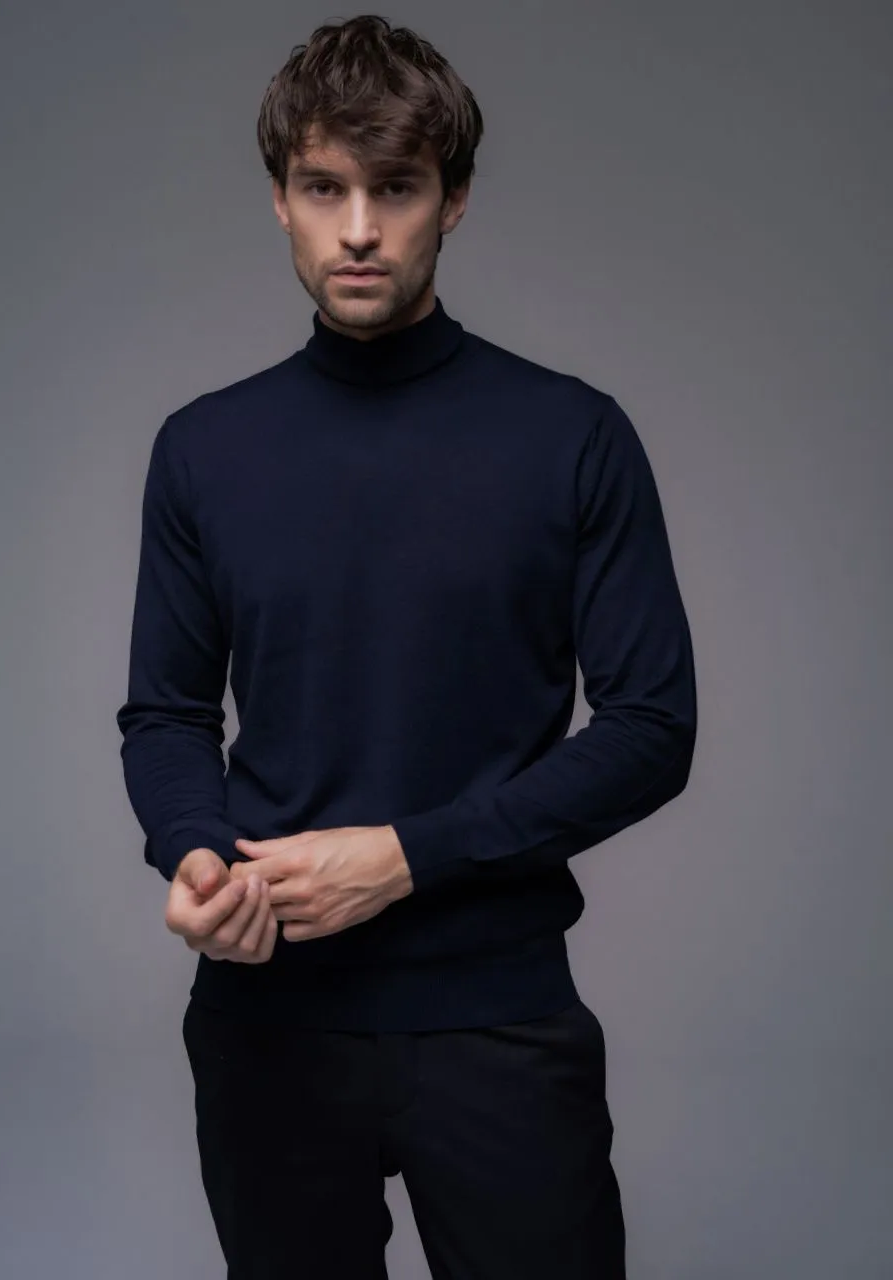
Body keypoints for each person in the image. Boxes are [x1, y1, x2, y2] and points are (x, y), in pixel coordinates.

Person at [115, 13, 697, 1278]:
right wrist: (195, 851)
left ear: (456, 198)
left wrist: (404, 857)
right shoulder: (204, 448)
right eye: (325, 188)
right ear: (281, 200)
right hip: (269, 1020)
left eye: (397, 187)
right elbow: (166, 713)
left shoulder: (573, 436)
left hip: (498, 1012)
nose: (361, 229)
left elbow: (653, 728)